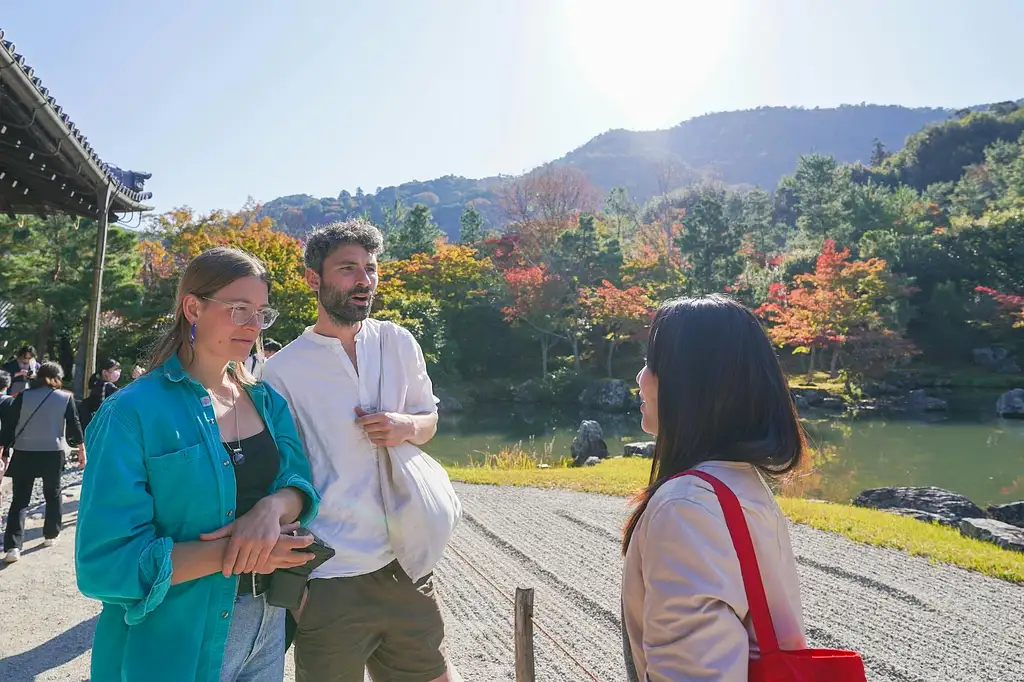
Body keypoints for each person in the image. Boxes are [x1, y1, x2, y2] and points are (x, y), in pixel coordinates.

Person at [75, 246, 322, 682]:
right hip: (171, 642)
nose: (253, 326)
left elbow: (298, 480)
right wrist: (243, 551)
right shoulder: (131, 413)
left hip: (267, 629)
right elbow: (104, 566)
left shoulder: (266, 401)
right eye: (239, 309)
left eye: (262, 312)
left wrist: (271, 510)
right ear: (193, 307)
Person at [262, 219, 449, 682]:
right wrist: (303, 591)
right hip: (331, 574)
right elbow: (283, 475)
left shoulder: (398, 342)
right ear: (314, 279)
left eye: (370, 268)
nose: (364, 280)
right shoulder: (281, 372)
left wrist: (405, 426)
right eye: (348, 268)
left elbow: (429, 422)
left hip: (404, 564)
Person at [621, 295, 808, 681]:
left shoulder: (687, 507)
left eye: (651, 363)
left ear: (691, 382)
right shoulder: (739, 482)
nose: (641, 379)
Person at [1, 362, 86, 563]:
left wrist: (3, 449)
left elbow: (10, 425)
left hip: (24, 451)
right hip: (53, 452)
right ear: (58, 377)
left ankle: (13, 546)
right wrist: (81, 449)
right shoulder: (66, 398)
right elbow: (74, 426)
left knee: (20, 500)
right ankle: (50, 534)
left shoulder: (23, 396)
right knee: (53, 494)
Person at [80, 358, 121, 429]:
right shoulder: (108, 386)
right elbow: (123, 396)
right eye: (114, 370)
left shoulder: (97, 384)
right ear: (105, 372)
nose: (117, 373)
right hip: (103, 423)